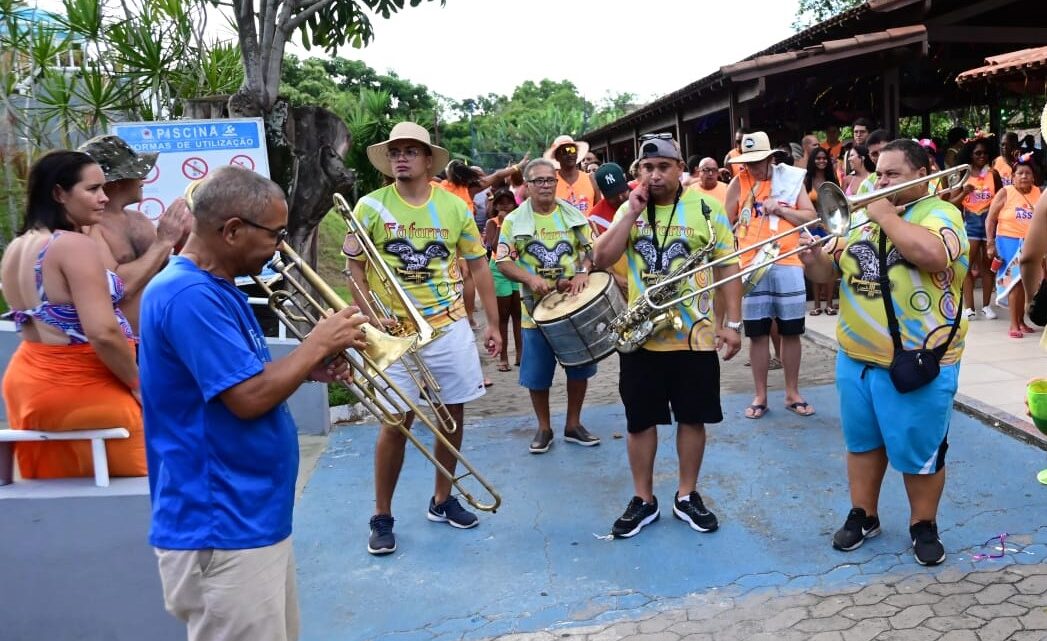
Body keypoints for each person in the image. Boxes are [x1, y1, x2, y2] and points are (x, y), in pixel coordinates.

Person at [139, 165, 367, 641]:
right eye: (276, 234)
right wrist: (316, 344)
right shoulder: (188, 295)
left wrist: (307, 368)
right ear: (233, 230)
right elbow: (246, 399)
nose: (280, 247)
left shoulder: (215, 288)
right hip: (222, 524)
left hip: (248, 516)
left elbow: (243, 382)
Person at [799, 139, 968, 566]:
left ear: (921, 172)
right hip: (856, 358)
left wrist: (887, 215)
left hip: (919, 359)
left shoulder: (941, 214)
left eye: (892, 173)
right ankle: (864, 514)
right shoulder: (861, 218)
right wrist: (812, 258)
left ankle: (923, 524)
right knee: (862, 444)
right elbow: (828, 273)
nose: (881, 180)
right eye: (879, 172)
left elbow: (931, 255)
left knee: (920, 451)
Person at [343, 121, 501, 555]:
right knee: (396, 422)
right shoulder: (370, 206)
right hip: (392, 329)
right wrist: (370, 312)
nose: (401, 158)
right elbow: (353, 269)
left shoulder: (454, 208)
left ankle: (443, 499)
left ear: (429, 160)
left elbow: (479, 265)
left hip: (447, 326)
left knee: (452, 415)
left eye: (411, 151)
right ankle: (382, 514)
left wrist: (491, 323)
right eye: (396, 151)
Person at [593, 134, 742, 538]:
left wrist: (733, 325)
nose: (655, 175)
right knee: (640, 420)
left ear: (681, 169)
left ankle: (687, 494)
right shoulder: (630, 207)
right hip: (642, 334)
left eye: (664, 167)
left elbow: (728, 268)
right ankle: (643, 499)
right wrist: (629, 215)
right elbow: (600, 259)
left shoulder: (709, 210)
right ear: (638, 172)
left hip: (694, 334)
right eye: (648, 168)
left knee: (693, 417)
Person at [1, 151, 145, 479]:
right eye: (92, 189)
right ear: (59, 193)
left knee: (62, 482)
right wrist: (138, 383)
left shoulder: (18, 246)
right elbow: (103, 333)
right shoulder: (73, 247)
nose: (104, 198)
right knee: (154, 470)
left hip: (29, 384)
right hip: (80, 386)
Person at [495, 159, 600, 453]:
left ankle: (573, 424)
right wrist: (529, 278)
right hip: (535, 312)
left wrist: (582, 272)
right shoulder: (514, 221)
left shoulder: (574, 216)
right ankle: (543, 428)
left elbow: (593, 251)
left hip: (573, 307)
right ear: (526, 186)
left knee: (579, 368)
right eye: (538, 181)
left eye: (549, 180)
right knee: (538, 375)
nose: (545, 185)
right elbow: (502, 261)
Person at [726, 131, 818, 420]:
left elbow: (811, 216)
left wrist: (780, 209)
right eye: (747, 162)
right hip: (751, 265)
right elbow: (721, 223)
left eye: (757, 161)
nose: (752, 168)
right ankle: (760, 395)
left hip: (788, 260)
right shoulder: (737, 182)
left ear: (770, 158)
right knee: (757, 333)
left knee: (791, 331)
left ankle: (792, 393)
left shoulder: (790, 180)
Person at [78, 135, 192, 333]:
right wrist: (164, 242)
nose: (143, 179)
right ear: (115, 182)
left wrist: (184, 242)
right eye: (137, 172)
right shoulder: (88, 227)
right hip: (122, 344)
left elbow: (167, 275)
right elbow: (120, 289)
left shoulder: (139, 220)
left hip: (159, 339)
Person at [986, 160, 1041, 337]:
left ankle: (1022, 322)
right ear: (1013, 177)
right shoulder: (1005, 192)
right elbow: (990, 219)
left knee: (1027, 283)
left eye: (1028, 173)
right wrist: (990, 243)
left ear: (1033, 177)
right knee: (1014, 283)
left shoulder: (1038, 192)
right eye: (1020, 173)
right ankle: (1013, 325)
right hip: (1008, 242)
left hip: (1031, 242)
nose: (1024, 176)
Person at [949, 138, 1002, 321]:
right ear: (969, 155)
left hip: (989, 225)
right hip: (970, 223)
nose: (982, 156)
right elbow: (950, 203)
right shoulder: (963, 175)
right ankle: (969, 307)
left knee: (988, 268)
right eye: (978, 153)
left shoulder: (993, 174)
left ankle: (987, 306)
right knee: (966, 267)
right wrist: (964, 192)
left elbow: (1002, 198)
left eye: (985, 153)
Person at [484, 188, 523, 372]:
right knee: (503, 317)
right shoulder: (492, 223)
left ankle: (521, 355)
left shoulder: (520, 220)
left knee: (519, 315)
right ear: (495, 205)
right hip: (499, 270)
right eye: (500, 202)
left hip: (517, 269)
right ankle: (503, 357)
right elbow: (493, 247)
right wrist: (501, 224)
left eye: (508, 202)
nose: (505, 206)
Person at [805, 147, 840, 316]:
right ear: (812, 160)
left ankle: (830, 304)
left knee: (831, 262)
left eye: (824, 158)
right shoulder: (806, 180)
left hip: (830, 226)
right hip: (812, 227)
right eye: (818, 158)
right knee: (813, 264)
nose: (821, 161)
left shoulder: (832, 180)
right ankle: (817, 304)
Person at [544, 135, 601, 214]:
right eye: (564, 151)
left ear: (576, 154)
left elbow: (599, 211)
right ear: (556, 157)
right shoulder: (550, 183)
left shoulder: (590, 179)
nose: (569, 154)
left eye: (572, 150)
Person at [589, 162, 632, 235]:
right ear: (602, 193)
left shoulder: (643, 196)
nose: (620, 198)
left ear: (625, 179)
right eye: (613, 196)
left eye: (623, 192)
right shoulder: (596, 218)